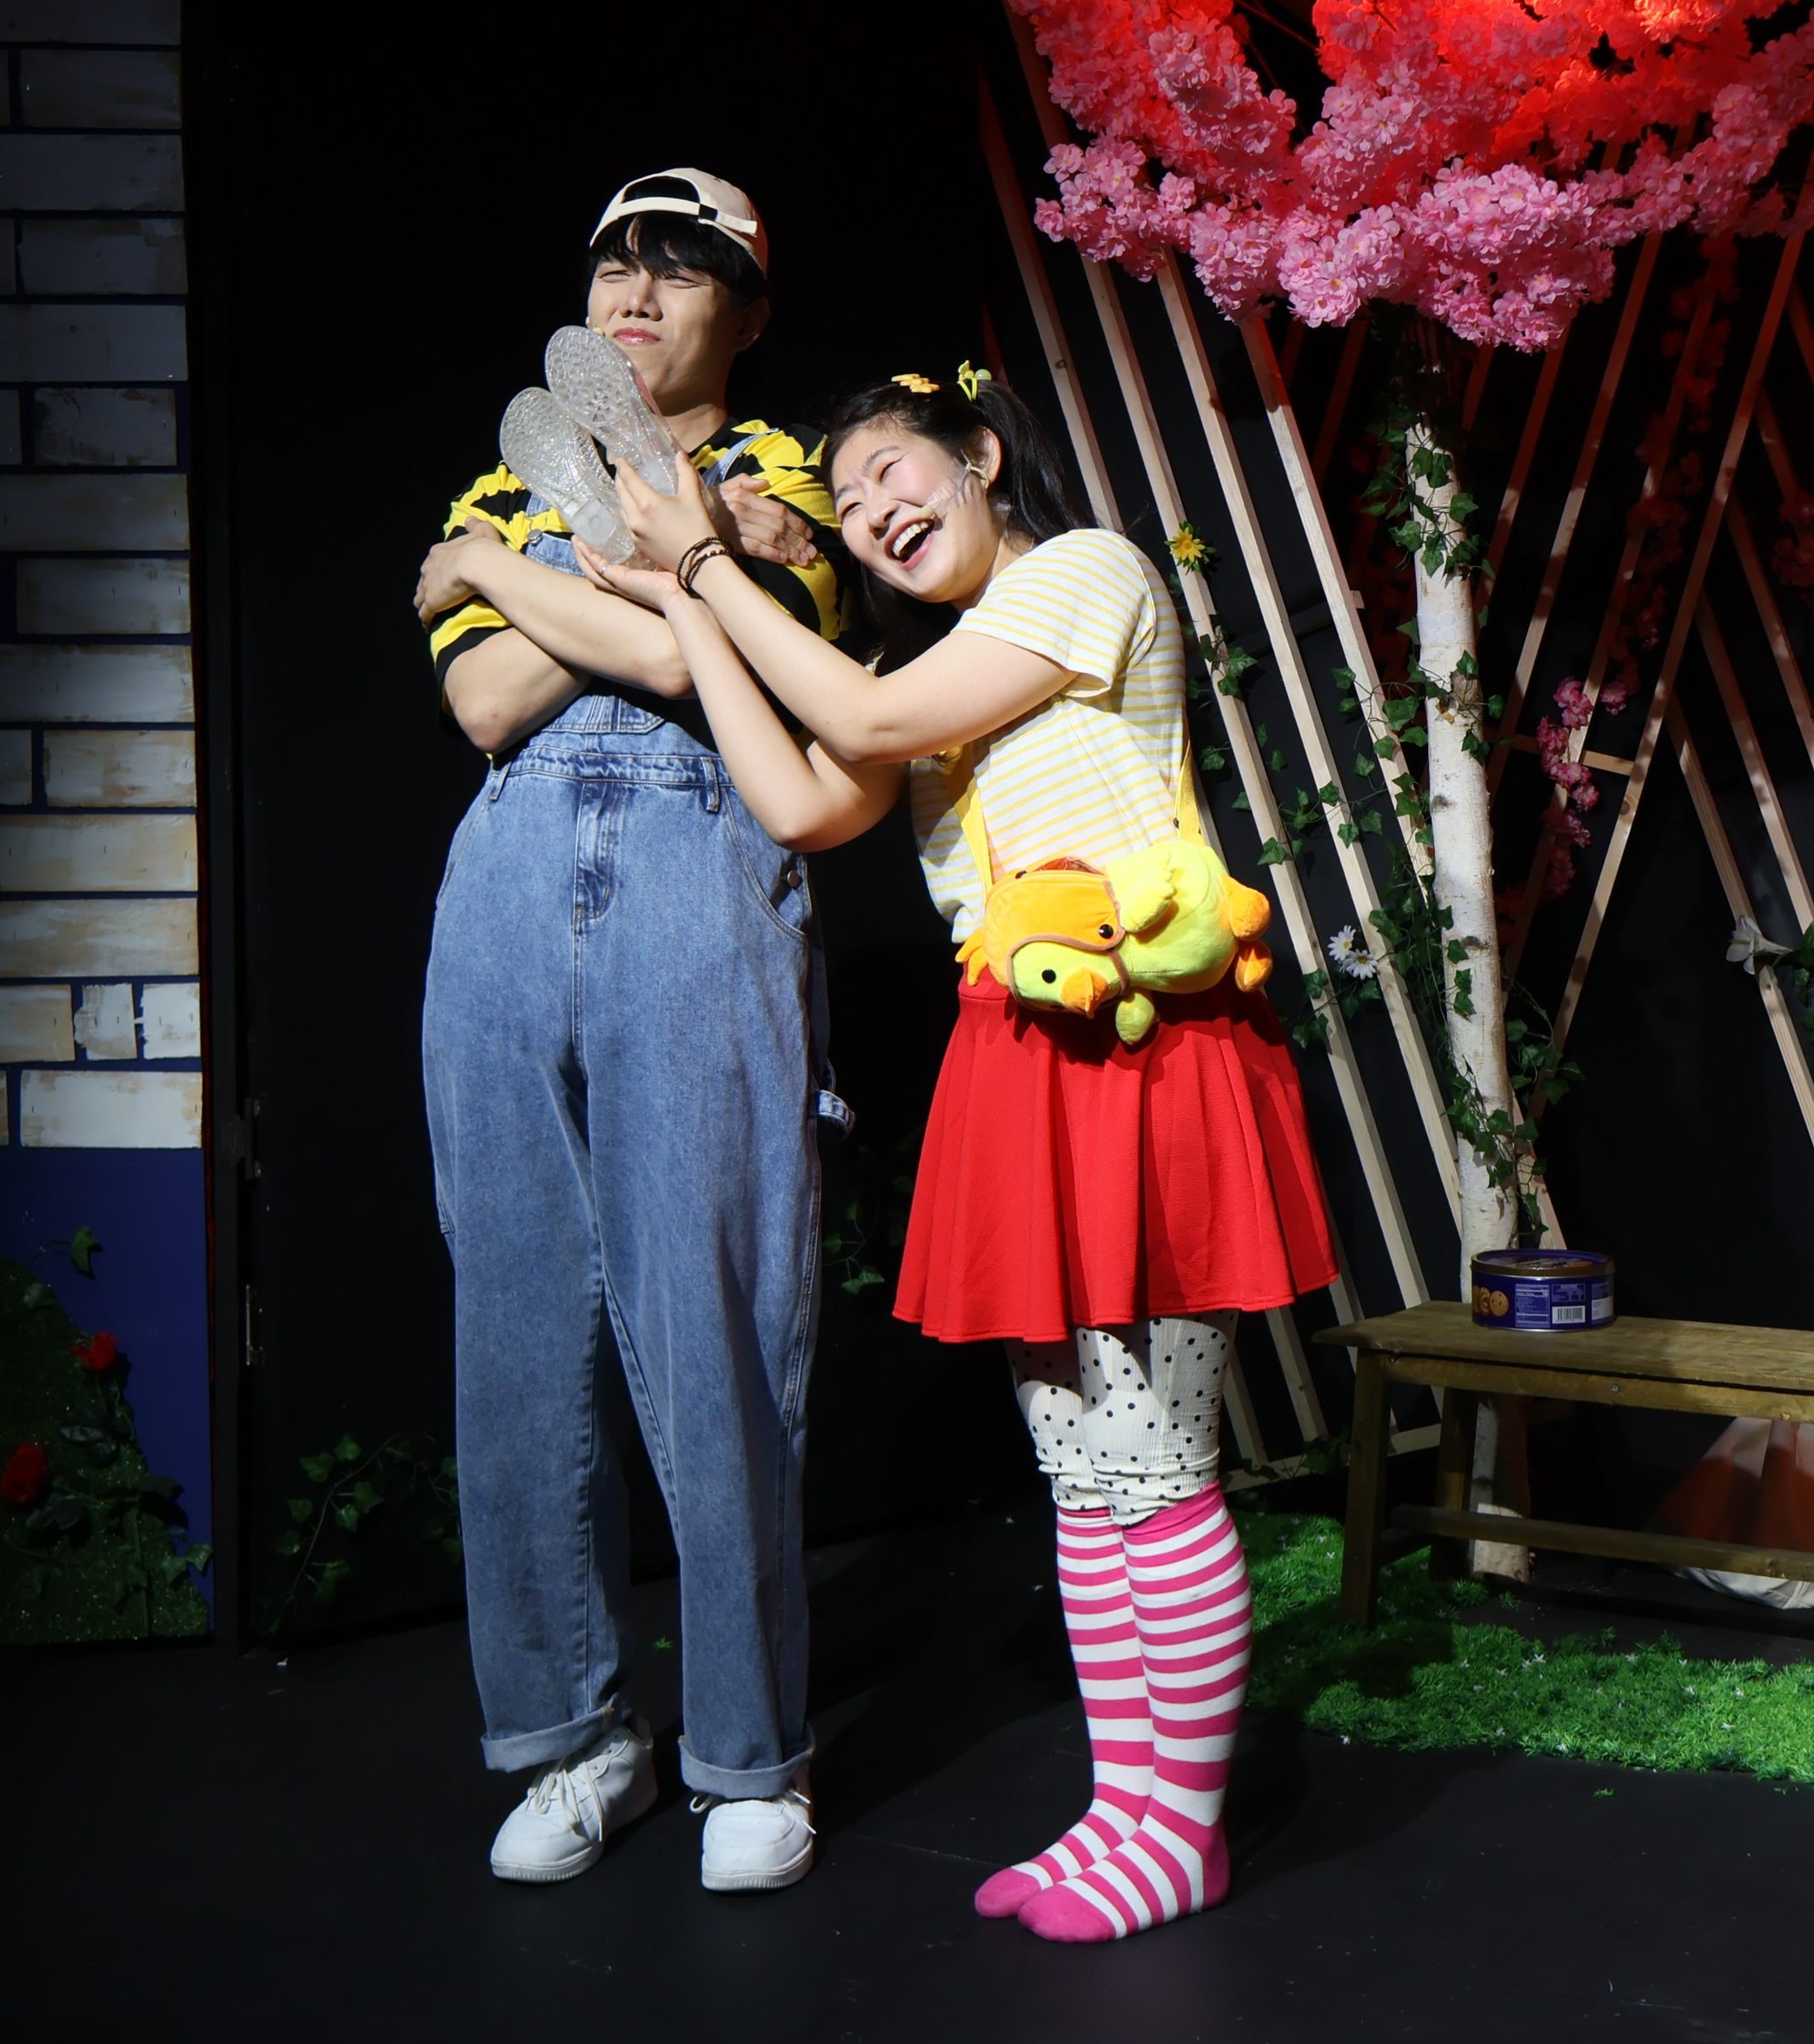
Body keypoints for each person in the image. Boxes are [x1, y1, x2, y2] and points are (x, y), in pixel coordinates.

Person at [577, 365, 1339, 1944]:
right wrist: (690, 602)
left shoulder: (1086, 571)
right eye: (849, 506)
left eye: (894, 475)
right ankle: (1124, 1810)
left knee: (1154, 1473)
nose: (873, 516)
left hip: (1139, 1051)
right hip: (1021, 1060)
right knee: (1083, 1481)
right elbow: (801, 800)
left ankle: (1185, 1831)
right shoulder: (935, 674)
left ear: (983, 455)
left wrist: (704, 561)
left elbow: (856, 720)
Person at [407, 169, 852, 1896]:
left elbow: (699, 672)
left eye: (683, 271)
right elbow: (486, 699)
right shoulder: (495, 471)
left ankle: (751, 1748)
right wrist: (659, 583)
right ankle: (577, 1736)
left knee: (717, 1315)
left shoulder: (788, 474)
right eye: (617, 266)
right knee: (516, 1324)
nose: (638, 295)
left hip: (700, 869)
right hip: (505, 888)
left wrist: (501, 571)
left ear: (749, 313)